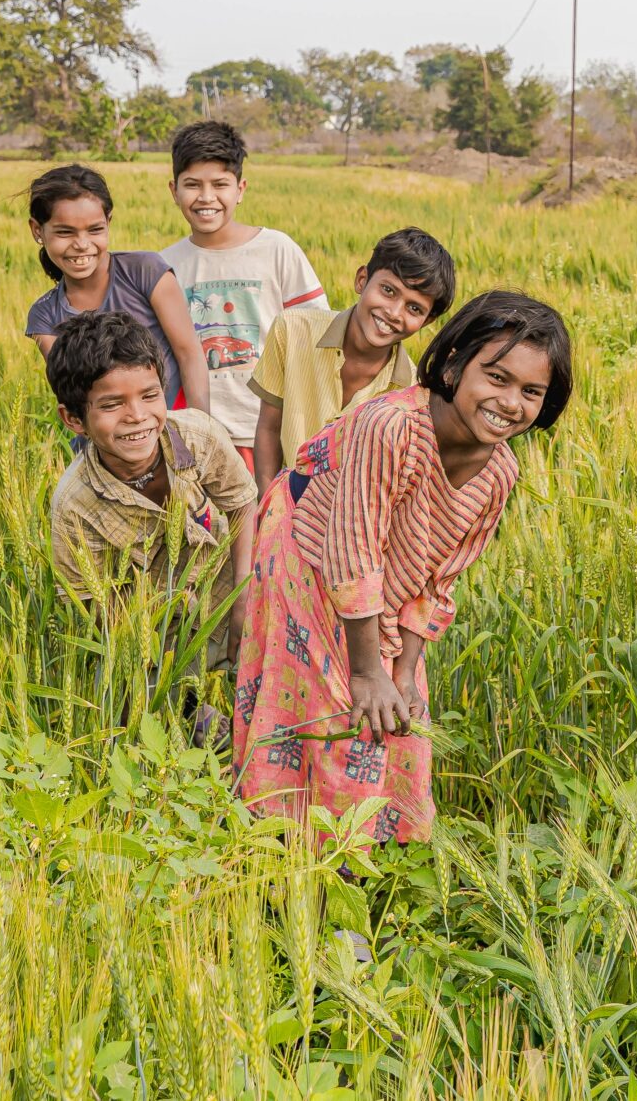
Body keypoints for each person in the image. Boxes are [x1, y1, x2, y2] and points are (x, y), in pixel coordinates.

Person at [231, 291, 573, 843]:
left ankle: (376, 858)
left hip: (383, 586)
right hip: (309, 554)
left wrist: (404, 671)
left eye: (531, 392)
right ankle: (302, 858)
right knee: (337, 710)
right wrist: (368, 672)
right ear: (456, 362)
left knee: (402, 719)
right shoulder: (390, 426)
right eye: (497, 377)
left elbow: (439, 579)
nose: (510, 402)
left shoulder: (499, 472)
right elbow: (353, 549)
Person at [45, 310, 261, 695]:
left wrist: (245, 595)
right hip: (157, 635)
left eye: (149, 395)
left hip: (227, 594)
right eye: (112, 405)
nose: (138, 416)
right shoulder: (74, 505)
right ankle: (190, 712)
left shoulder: (198, 436)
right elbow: (93, 606)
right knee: (123, 698)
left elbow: (243, 503)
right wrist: (155, 665)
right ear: (73, 419)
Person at [160, 122, 327, 460]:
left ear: (241, 188)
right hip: (200, 433)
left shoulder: (277, 249)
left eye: (220, 184)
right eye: (192, 184)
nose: (206, 197)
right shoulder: (165, 265)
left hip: (271, 428)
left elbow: (315, 333)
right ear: (174, 190)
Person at [248, 226, 457, 495]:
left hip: (355, 528)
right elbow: (268, 428)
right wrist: (269, 510)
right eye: (388, 291)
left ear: (427, 321)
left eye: (414, 308)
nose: (394, 312)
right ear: (362, 280)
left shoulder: (412, 393)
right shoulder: (292, 330)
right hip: (284, 512)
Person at [24, 163, 212, 412]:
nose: (82, 244)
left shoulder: (145, 271)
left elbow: (189, 355)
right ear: (38, 230)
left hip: (172, 430)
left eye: (95, 230)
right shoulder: (45, 316)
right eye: (65, 232)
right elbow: (76, 396)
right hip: (103, 444)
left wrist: (200, 433)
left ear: (108, 222)